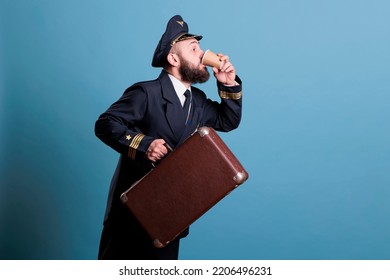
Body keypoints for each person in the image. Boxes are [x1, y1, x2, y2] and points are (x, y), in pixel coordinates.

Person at [94, 15, 243, 260]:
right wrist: (143, 144)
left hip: (168, 221)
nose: (202, 54)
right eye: (194, 49)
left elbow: (228, 121)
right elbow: (106, 124)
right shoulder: (146, 92)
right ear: (173, 58)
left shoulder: (198, 101)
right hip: (130, 218)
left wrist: (228, 84)